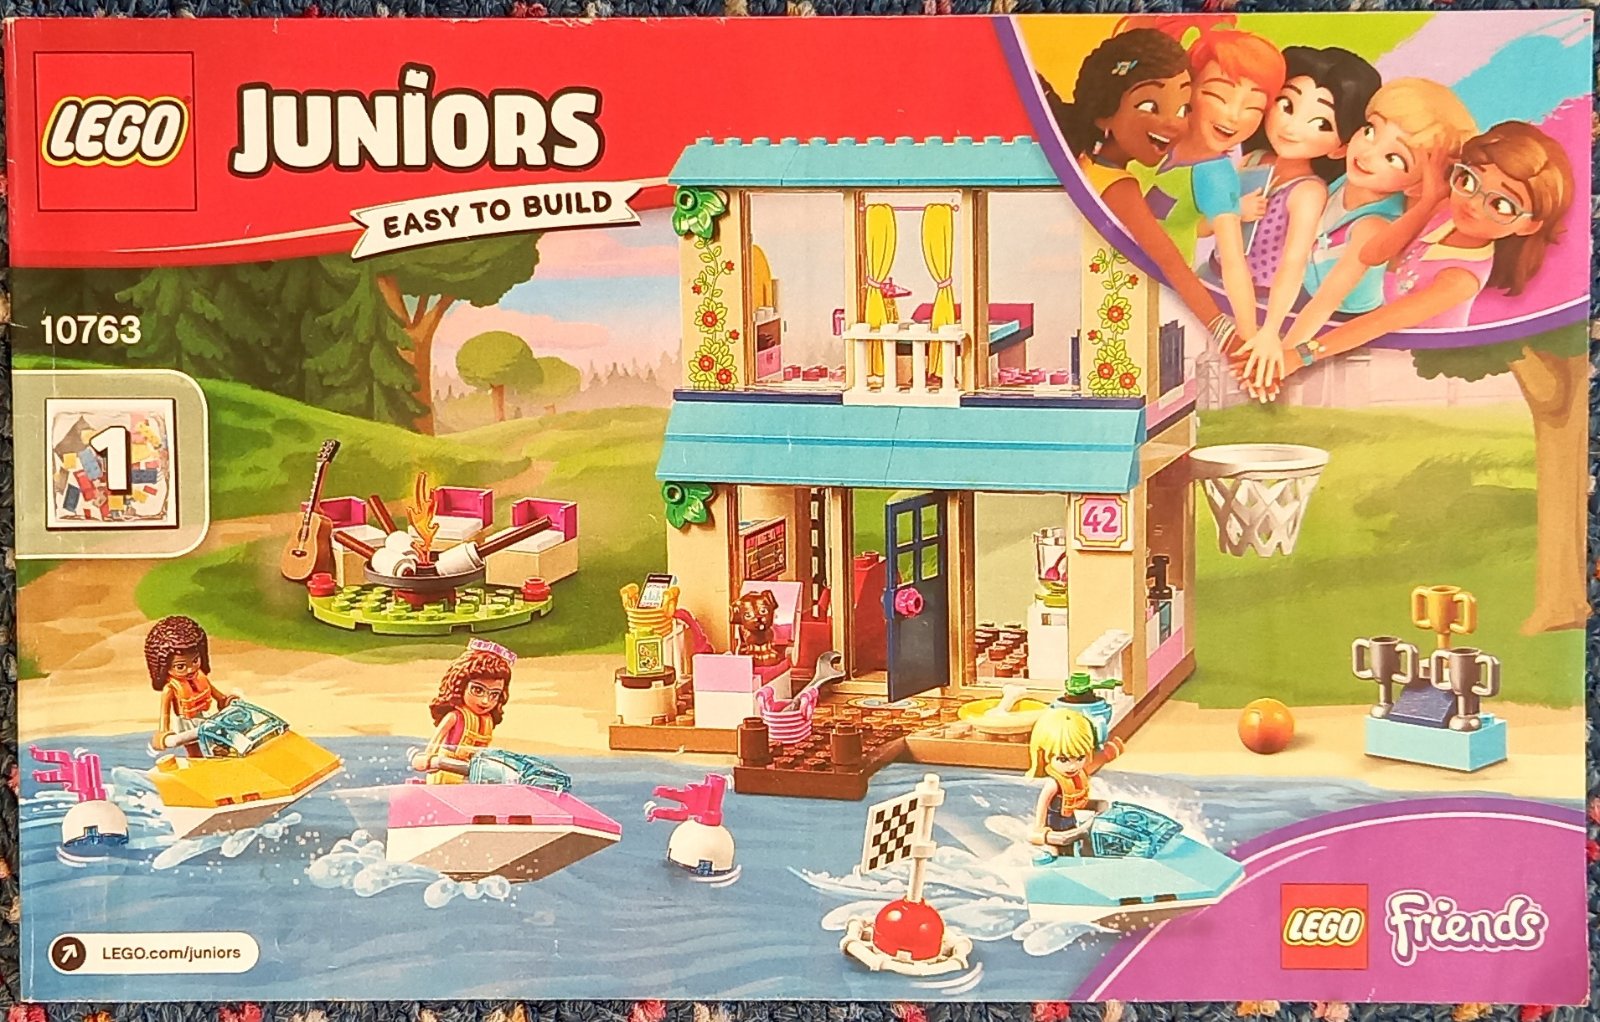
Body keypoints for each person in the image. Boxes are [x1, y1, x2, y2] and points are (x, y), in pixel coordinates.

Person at [1267, 120, 1573, 387]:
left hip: (1422, 368)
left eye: (1500, 204)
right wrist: (1428, 200)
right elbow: (1373, 254)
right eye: (1468, 180)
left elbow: (1379, 322)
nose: (1473, 203)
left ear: (1529, 225)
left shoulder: (1460, 279)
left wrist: (1300, 355)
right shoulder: (1447, 212)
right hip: (1384, 344)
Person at [1240, 78, 1477, 391]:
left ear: (1417, 184)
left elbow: (1325, 303)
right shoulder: (1341, 182)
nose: (1367, 153)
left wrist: (1280, 362)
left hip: (1338, 323)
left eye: (1394, 158)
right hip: (1300, 298)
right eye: (1370, 131)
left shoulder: (1373, 227)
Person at [1044, 26, 1239, 354]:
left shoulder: (1087, 166)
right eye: (1150, 106)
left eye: (1183, 110)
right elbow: (1171, 264)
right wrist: (1225, 334)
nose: (1174, 123)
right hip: (1116, 329)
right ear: (1104, 114)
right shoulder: (1118, 187)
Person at [1140, 22, 1285, 341]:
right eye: (1219, 96)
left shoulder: (1215, 174)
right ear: (1188, 89)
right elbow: (1179, 221)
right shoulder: (1166, 140)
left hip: (1159, 290)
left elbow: (1233, 263)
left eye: (1253, 107)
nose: (1234, 116)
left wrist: (1247, 338)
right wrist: (1236, 210)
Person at [1232, 47, 1381, 351]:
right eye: (1286, 104)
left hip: (1263, 298)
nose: (1291, 127)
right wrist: (1234, 210)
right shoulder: (1252, 160)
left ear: (1341, 148)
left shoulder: (1308, 192)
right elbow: (1205, 227)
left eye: (1321, 123)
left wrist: (1271, 330)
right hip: (1217, 272)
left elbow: (1294, 262)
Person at [411, 638, 516, 784]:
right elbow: (436, 740)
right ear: (461, 686)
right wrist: (427, 758)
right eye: (478, 690)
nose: (485, 701)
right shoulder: (455, 717)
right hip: (446, 774)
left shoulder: (487, 721)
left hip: (473, 775)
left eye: (494, 695)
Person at [1026, 708, 1125, 859]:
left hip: (1071, 824)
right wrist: (1040, 830)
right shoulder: (1054, 784)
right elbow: (1043, 806)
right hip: (1055, 829)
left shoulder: (1078, 774)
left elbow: (1089, 770)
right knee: (1056, 855)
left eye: (1079, 758)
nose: (1072, 766)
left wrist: (1107, 754)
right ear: (1045, 755)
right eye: (1063, 759)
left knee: (1076, 849)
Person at [146, 615, 235, 755]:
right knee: (194, 750)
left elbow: (216, 693)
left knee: (217, 741)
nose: (190, 669)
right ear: (164, 667)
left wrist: (225, 700)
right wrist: (163, 732)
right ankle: (196, 761)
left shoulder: (200, 677)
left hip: (203, 716)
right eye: (180, 666)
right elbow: (165, 713)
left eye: (195, 661)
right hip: (185, 723)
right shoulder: (170, 689)